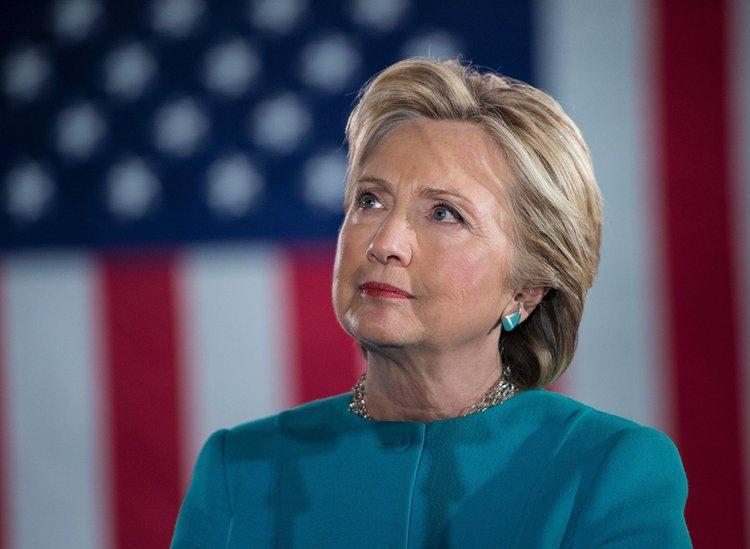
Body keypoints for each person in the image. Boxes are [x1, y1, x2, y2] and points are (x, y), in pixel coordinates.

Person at [172, 58, 691, 548]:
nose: (385, 242)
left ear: (526, 291)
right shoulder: (237, 470)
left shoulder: (606, 468)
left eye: (444, 213)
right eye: (369, 201)